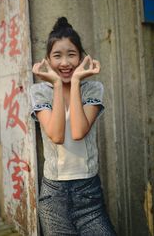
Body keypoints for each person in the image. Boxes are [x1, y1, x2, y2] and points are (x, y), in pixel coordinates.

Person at [30, 17, 116, 236]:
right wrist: (57, 84)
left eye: (71, 54)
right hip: (54, 196)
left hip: (89, 193)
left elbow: (78, 131)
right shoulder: (40, 92)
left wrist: (76, 82)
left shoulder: (92, 89)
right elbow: (57, 135)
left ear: (80, 58)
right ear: (47, 60)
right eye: (57, 56)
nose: (65, 63)